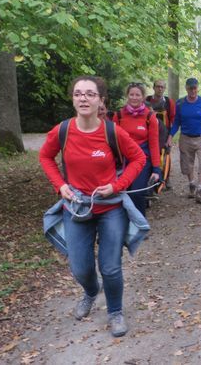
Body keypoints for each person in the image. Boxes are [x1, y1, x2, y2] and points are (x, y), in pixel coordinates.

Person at [39, 75, 147, 337]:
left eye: (89, 93)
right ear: (73, 99)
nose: (83, 98)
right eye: (78, 93)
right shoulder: (63, 130)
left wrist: (117, 186)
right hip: (76, 209)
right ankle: (90, 291)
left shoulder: (112, 131)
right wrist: (60, 186)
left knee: (110, 267)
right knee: (80, 267)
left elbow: (138, 158)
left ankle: (115, 312)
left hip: (110, 209)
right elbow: (45, 156)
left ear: (101, 100)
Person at [166, 77, 201, 204]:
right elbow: (176, 122)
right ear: (186, 88)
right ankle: (192, 184)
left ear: (197, 88)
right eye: (190, 88)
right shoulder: (180, 103)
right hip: (185, 138)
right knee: (187, 166)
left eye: (194, 88)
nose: (192, 90)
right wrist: (170, 136)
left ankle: (200, 190)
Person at [113, 83, 161, 217]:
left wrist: (156, 169)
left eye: (137, 95)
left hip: (142, 160)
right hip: (123, 160)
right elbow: (113, 141)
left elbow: (154, 144)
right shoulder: (119, 115)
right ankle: (123, 224)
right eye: (131, 94)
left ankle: (139, 224)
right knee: (123, 192)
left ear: (143, 97)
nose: (134, 97)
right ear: (127, 96)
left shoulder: (149, 116)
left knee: (137, 192)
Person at [145, 79, 176, 191]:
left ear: (165, 88)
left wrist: (170, 137)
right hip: (149, 133)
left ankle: (166, 178)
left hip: (164, 133)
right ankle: (151, 178)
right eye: (158, 86)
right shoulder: (147, 100)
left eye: (162, 87)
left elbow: (173, 119)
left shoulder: (169, 102)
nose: (160, 89)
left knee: (166, 155)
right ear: (154, 88)